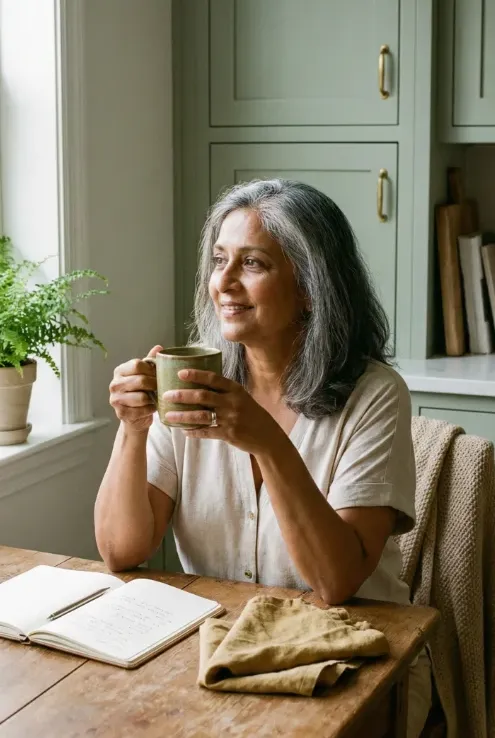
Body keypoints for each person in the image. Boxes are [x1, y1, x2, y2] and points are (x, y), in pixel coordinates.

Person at [95, 179, 430, 736]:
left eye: (251, 264)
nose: (222, 283)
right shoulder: (191, 385)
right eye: (219, 260)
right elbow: (120, 549)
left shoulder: (375, 395)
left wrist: (268, 442)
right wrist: (132, 429)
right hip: (220, 654)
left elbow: (335, 580)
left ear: (311, 288)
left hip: (349, 665)